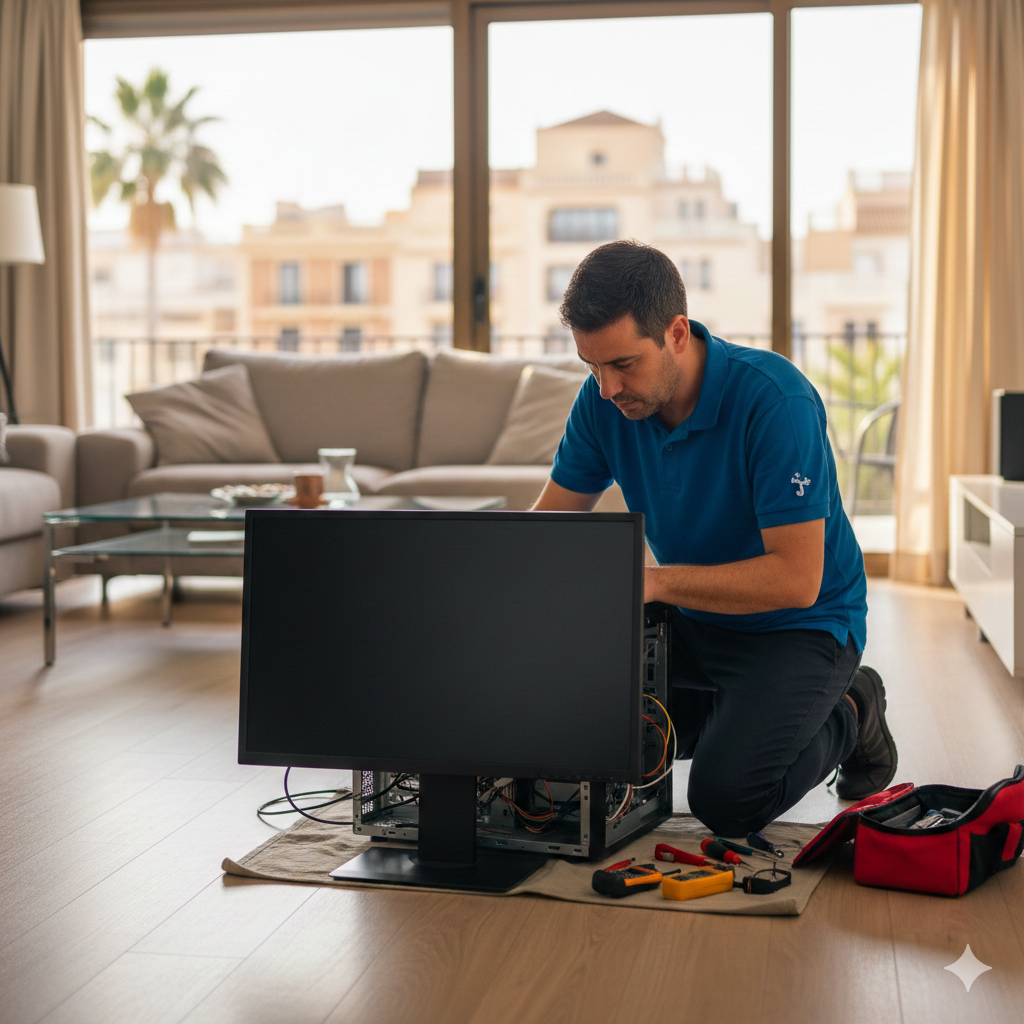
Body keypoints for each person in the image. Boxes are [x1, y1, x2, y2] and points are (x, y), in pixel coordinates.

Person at [533, 239, 897, 835]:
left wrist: (651, 582)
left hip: (802, 626)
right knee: (587, 736)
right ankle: (735, 714)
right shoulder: (603, 404)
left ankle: (852, 706)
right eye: (591, 366)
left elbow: (797, 580)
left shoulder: (774, 401)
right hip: (695, 619)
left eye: (623, 364)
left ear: (677, 332)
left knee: (728, 802)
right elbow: (551, 524)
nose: (607, 387)